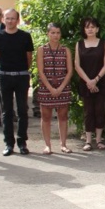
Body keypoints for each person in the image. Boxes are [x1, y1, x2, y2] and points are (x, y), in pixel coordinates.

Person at [0, 8, 34, 156]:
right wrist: (5, 70)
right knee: (7, 111)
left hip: (21, 76)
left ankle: (22, 142)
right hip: (4, 76)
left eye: (13, 18)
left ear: (18, 20)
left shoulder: (25, 36)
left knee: (23, 110)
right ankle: (8, 143)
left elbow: (29, 58)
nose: (10, 21)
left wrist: (21, 70)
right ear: (3, 19)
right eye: (7, 18)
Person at [36, 23, 74, 154]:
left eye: (58, 32)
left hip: (63, 86)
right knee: (45, 116)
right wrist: (51, 88)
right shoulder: (41, 49)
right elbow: (40, 71)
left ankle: (63, 144)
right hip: (46, 87)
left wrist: (61, 87)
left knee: (63, 116)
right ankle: (47, 145)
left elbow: (69, 71)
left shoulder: (66, 50)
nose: (55, 35)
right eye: (52, 32)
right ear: (48, 34)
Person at [74, 17, 105, 151]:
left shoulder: (103, 43)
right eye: (87, 27)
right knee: (88, 111)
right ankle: (88, 140)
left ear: (97, 29)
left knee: (100, 110)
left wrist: (95, 80)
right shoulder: (79, 44)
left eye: (92, 26)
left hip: (101, 82)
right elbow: (77, 65)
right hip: (85, 83)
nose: (90, 29)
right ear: (84, 29)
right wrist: (88, 81)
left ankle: (99, 140)